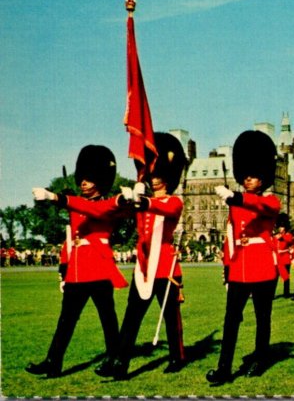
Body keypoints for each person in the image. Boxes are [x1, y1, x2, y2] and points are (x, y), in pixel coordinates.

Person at [27, 145, 129, 379]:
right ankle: (53, 361)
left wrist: (56, 197)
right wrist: (63, 271)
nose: (83, 182)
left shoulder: (106, 204)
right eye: (82, 177)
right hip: (77, 271)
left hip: (99, 268)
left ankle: (115, 359)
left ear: (100, 181)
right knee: (66, 320)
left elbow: (94, 210)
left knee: (108, 319)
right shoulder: (76, 202)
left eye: (90, 178)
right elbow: (70, 239)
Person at [110, 132, 188, 380]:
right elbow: (118, 212)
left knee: (170, 318)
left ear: (169, 178)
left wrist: (143, 202)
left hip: (165, 267)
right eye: (152, 176)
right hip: (143, 268)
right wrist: (125, 199)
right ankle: (120, 363)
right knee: (131, 318)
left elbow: (162, 207)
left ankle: (177, 357)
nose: (155, 181)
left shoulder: (174, 201)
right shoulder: (143, 199)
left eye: (159, 176)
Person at [206, 130, 281, 384]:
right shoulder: (236, 205)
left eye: (253, 175)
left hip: (261, 267)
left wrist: (236, 197)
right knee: (231, 320)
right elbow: (230, 237)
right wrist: (227, 270)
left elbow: (259, 206)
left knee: (262, 318)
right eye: (245, 175)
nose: (248, 179)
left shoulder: (271, 200)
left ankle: (260, 359)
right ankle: (224, 367)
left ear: (264, 177)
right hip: (239, 268)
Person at [274, 213, 294, 298]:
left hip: (285, 258)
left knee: (286, 277)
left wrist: (282, 237)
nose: (280, 229)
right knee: (274, 278)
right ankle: (272, 294)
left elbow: (289, 240)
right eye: (280, 227)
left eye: (282, 227)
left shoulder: (288, 235)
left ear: (285, 227)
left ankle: (286, 293)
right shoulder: (276, 236)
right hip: (277, 259)